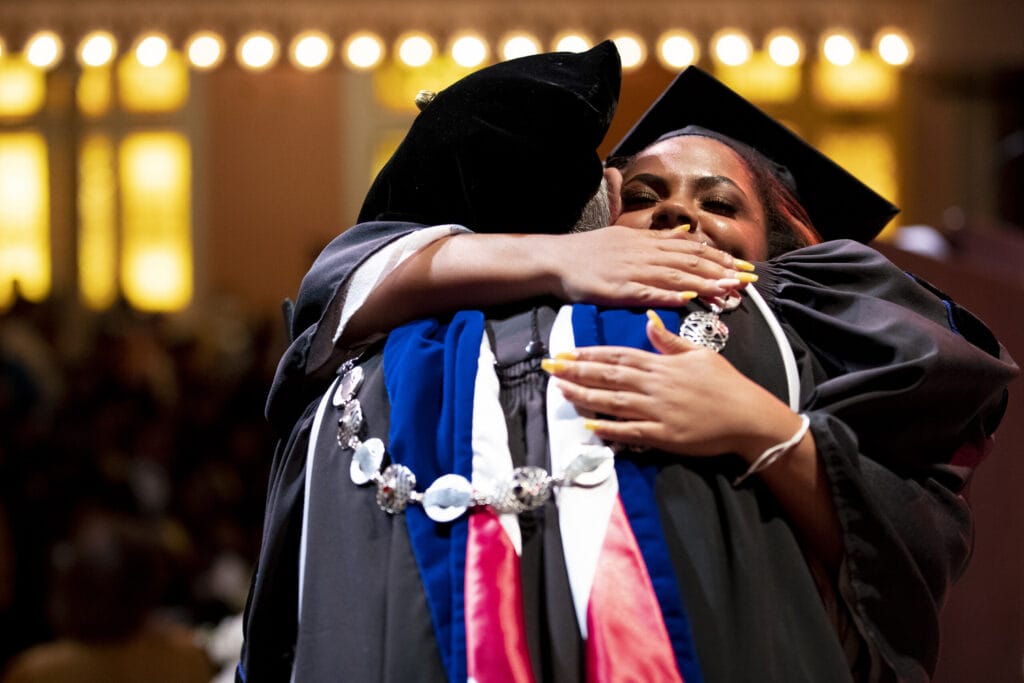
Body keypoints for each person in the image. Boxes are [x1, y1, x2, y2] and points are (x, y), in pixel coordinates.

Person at [241, 52, 1017, 683]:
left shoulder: (804, 326)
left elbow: (908, 542)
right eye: (646, 196)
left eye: (720, 204)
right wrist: (568, 255)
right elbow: (356, 274)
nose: (680, 215)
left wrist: (757, 424)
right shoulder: (523, 294)